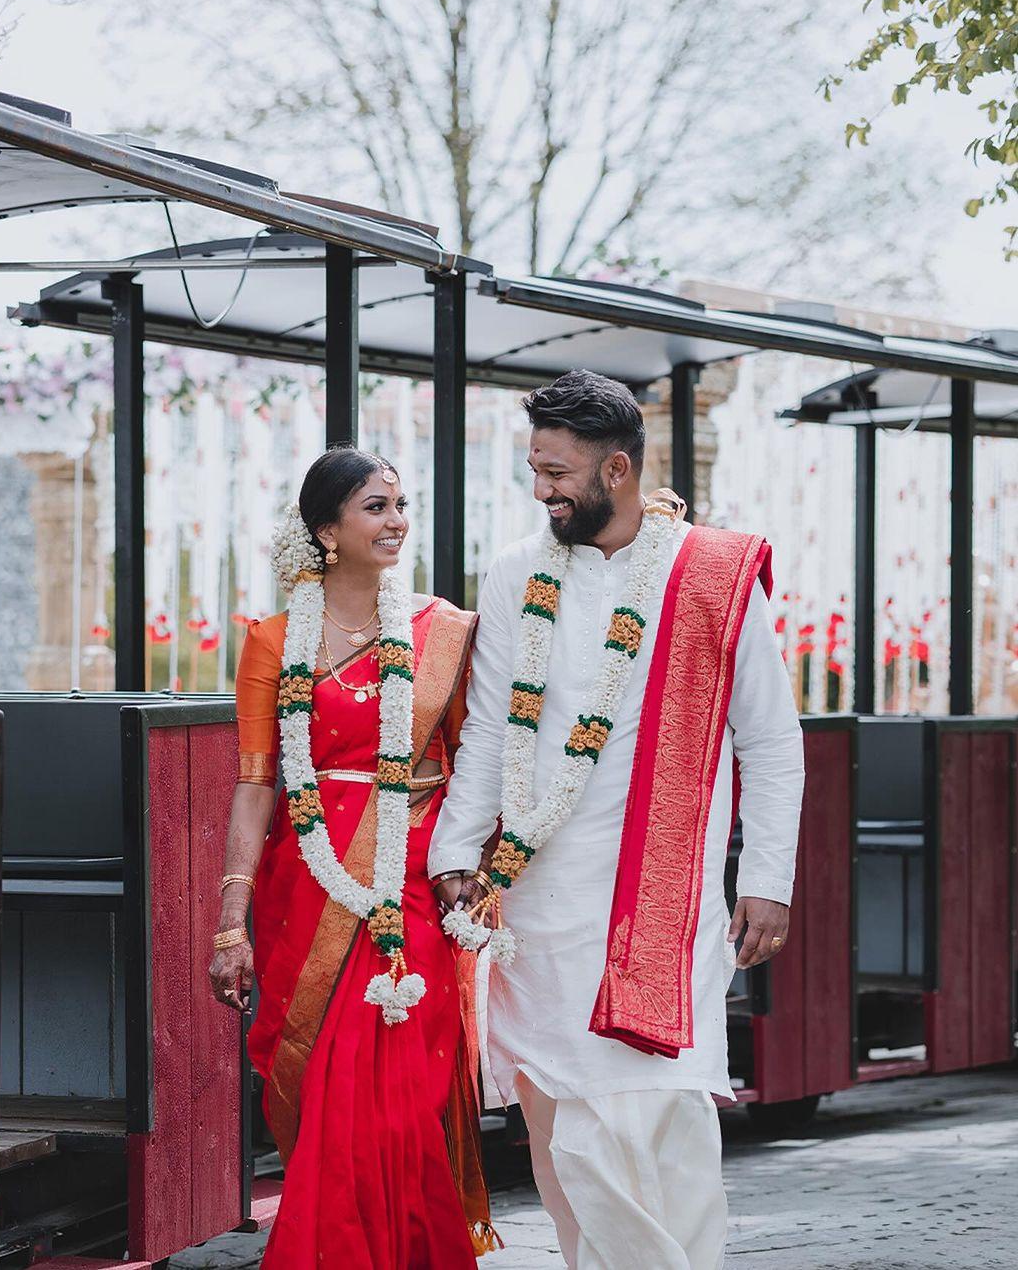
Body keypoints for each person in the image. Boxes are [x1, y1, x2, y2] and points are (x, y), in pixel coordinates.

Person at [429, 370, 805, 1270]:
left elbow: (772, 739)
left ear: (619, 471)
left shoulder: (710, 575)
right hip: (540, 899)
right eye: (534, 469)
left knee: (662, 1116)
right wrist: (454, 854)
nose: (542, 489)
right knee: (559, 1129)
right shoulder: (519, 571)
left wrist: (767, 880)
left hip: (662, 906)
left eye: (558, 472)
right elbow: (488, 726)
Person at [209, 446, 497, 1270]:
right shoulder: (271, 641)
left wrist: (469, 871)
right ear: (327, 530)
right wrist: (231, 920)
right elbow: (257, 782)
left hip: (409, 882)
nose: (397, 521)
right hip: (308, 881)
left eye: (400, 505)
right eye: (375, 506)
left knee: (404, 1099)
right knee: (323, 1096)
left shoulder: (443, 631)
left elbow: (472, 762)